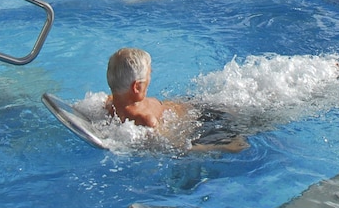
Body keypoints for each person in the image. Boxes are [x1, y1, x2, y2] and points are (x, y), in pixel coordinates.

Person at [105, 47, 246, 151]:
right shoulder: (147, 120)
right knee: (247, 118)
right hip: (202, 120)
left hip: (192, 107)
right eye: (149, 74)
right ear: (136, 87)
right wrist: (222, 147)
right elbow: (176, 148)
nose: (150, 76)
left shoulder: (109, 102)